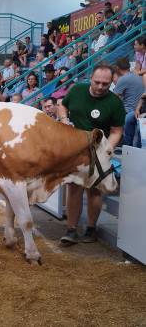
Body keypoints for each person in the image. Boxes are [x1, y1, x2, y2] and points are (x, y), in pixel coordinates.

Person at [57, 64, 125, 245]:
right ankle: (71, 229)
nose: (101, 87)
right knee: (73, 188)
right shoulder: (77, 90)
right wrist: (65, 120)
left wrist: (107, 149)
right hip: (75, 150)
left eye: (106, 83)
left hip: (98, 152)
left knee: (95, 190)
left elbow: (117, 130)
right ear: (90, 78)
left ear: (111, 82)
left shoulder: (115, 103)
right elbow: (62, 106)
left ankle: (91, 228)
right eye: (97, 82)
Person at [114, 57, 144, 147]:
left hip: (128, 111)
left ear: (117, 68)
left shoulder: (123, 79)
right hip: (139, 111)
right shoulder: (139, 77)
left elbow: (114, 100)